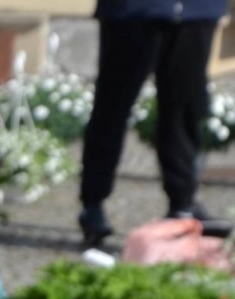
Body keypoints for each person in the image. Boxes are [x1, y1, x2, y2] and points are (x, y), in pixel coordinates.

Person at [79, 0, 232, 248]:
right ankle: (93, 203)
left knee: (184, 109)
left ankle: (182, 203)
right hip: (134, 10)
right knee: (113, 105)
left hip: (196, 10)